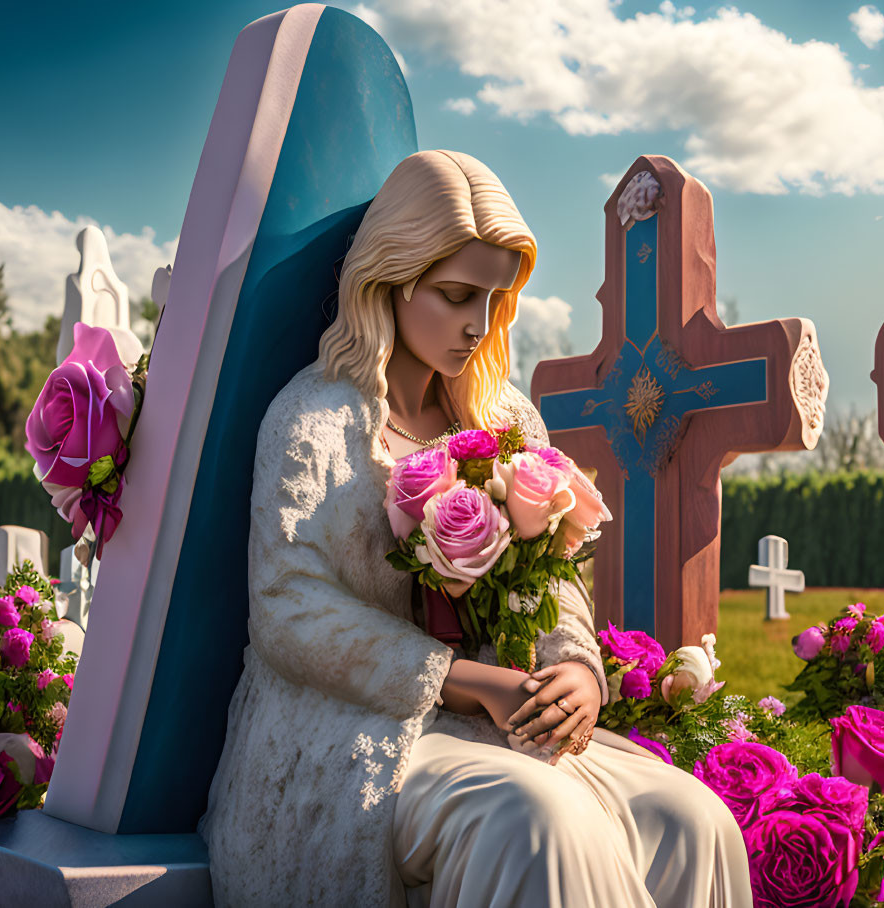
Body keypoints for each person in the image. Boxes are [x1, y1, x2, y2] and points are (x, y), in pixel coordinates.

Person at [199, 150, 752, 906]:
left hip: (504, 717)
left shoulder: (504, 419)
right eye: (456, 295)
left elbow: (555, 580)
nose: (477, 324)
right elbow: (289, 611)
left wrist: (578, 671)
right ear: (390, 282)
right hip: (352, 731)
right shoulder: (314, 420)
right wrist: (459, 681)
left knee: (690, 817)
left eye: (494, 298)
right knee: (534, 818)